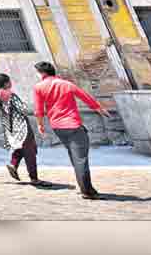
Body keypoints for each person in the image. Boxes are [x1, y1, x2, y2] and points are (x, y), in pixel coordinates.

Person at [33, 61, 110, 199]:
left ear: (43, 73)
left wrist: (40, 125)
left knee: (75, 157)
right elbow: (85, 96)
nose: (37, 75)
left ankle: (84, 187)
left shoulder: (39, 87)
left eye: (38, 73)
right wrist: (100, 109)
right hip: (73, 125)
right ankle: (87, 191)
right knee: (80, 159)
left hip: (57, 127)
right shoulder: (66, 84)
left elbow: (39, 110)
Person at [0, 73, 41, 185]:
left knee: (22, 146)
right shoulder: (10, 95)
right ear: (6, 83)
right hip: (21, 125)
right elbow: (23, 109)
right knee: (30, 150)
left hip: (10, 126)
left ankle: (13, 164)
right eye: (9, 81)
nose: (11, 83)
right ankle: (34, 178)